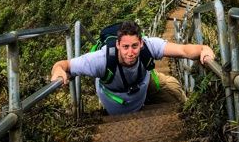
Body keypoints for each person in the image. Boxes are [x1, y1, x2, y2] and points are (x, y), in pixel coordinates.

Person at [50, 20, 215, 115]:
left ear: (141, 43)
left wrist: (203, 49)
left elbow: (183, 50)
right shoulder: (101, 59)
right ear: (117, 45)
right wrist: (58, 71)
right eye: (126, 47)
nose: (130, 52)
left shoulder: (149, 46)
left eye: (135, 46)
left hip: (143, 83)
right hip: (118, 101)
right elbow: (64, 65)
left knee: (175, 93)